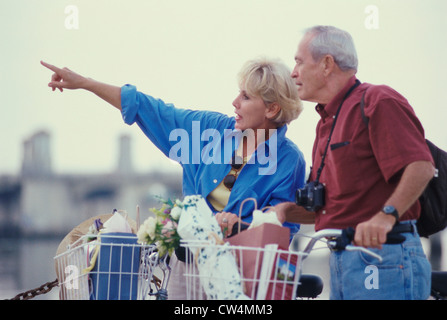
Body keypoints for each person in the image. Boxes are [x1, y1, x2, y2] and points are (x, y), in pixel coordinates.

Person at [41, 57, 306, 298]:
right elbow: (148, 108)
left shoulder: (289, 161)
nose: (235, 102)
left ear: (271, 110)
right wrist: (85, 83)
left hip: (243, 276)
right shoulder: (210, 131)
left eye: (246, 97)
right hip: (188, 267)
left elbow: (282, 228)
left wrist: (242, 225)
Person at [275, 25, 436, 300]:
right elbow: (333, 207)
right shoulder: (326, 122)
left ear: (327, 64)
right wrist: (285, 212)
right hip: (344, 260)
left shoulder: (377, 100)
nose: (293, 72)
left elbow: (421, 166)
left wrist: (385, 217)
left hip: (383, 258)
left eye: (299, 61)